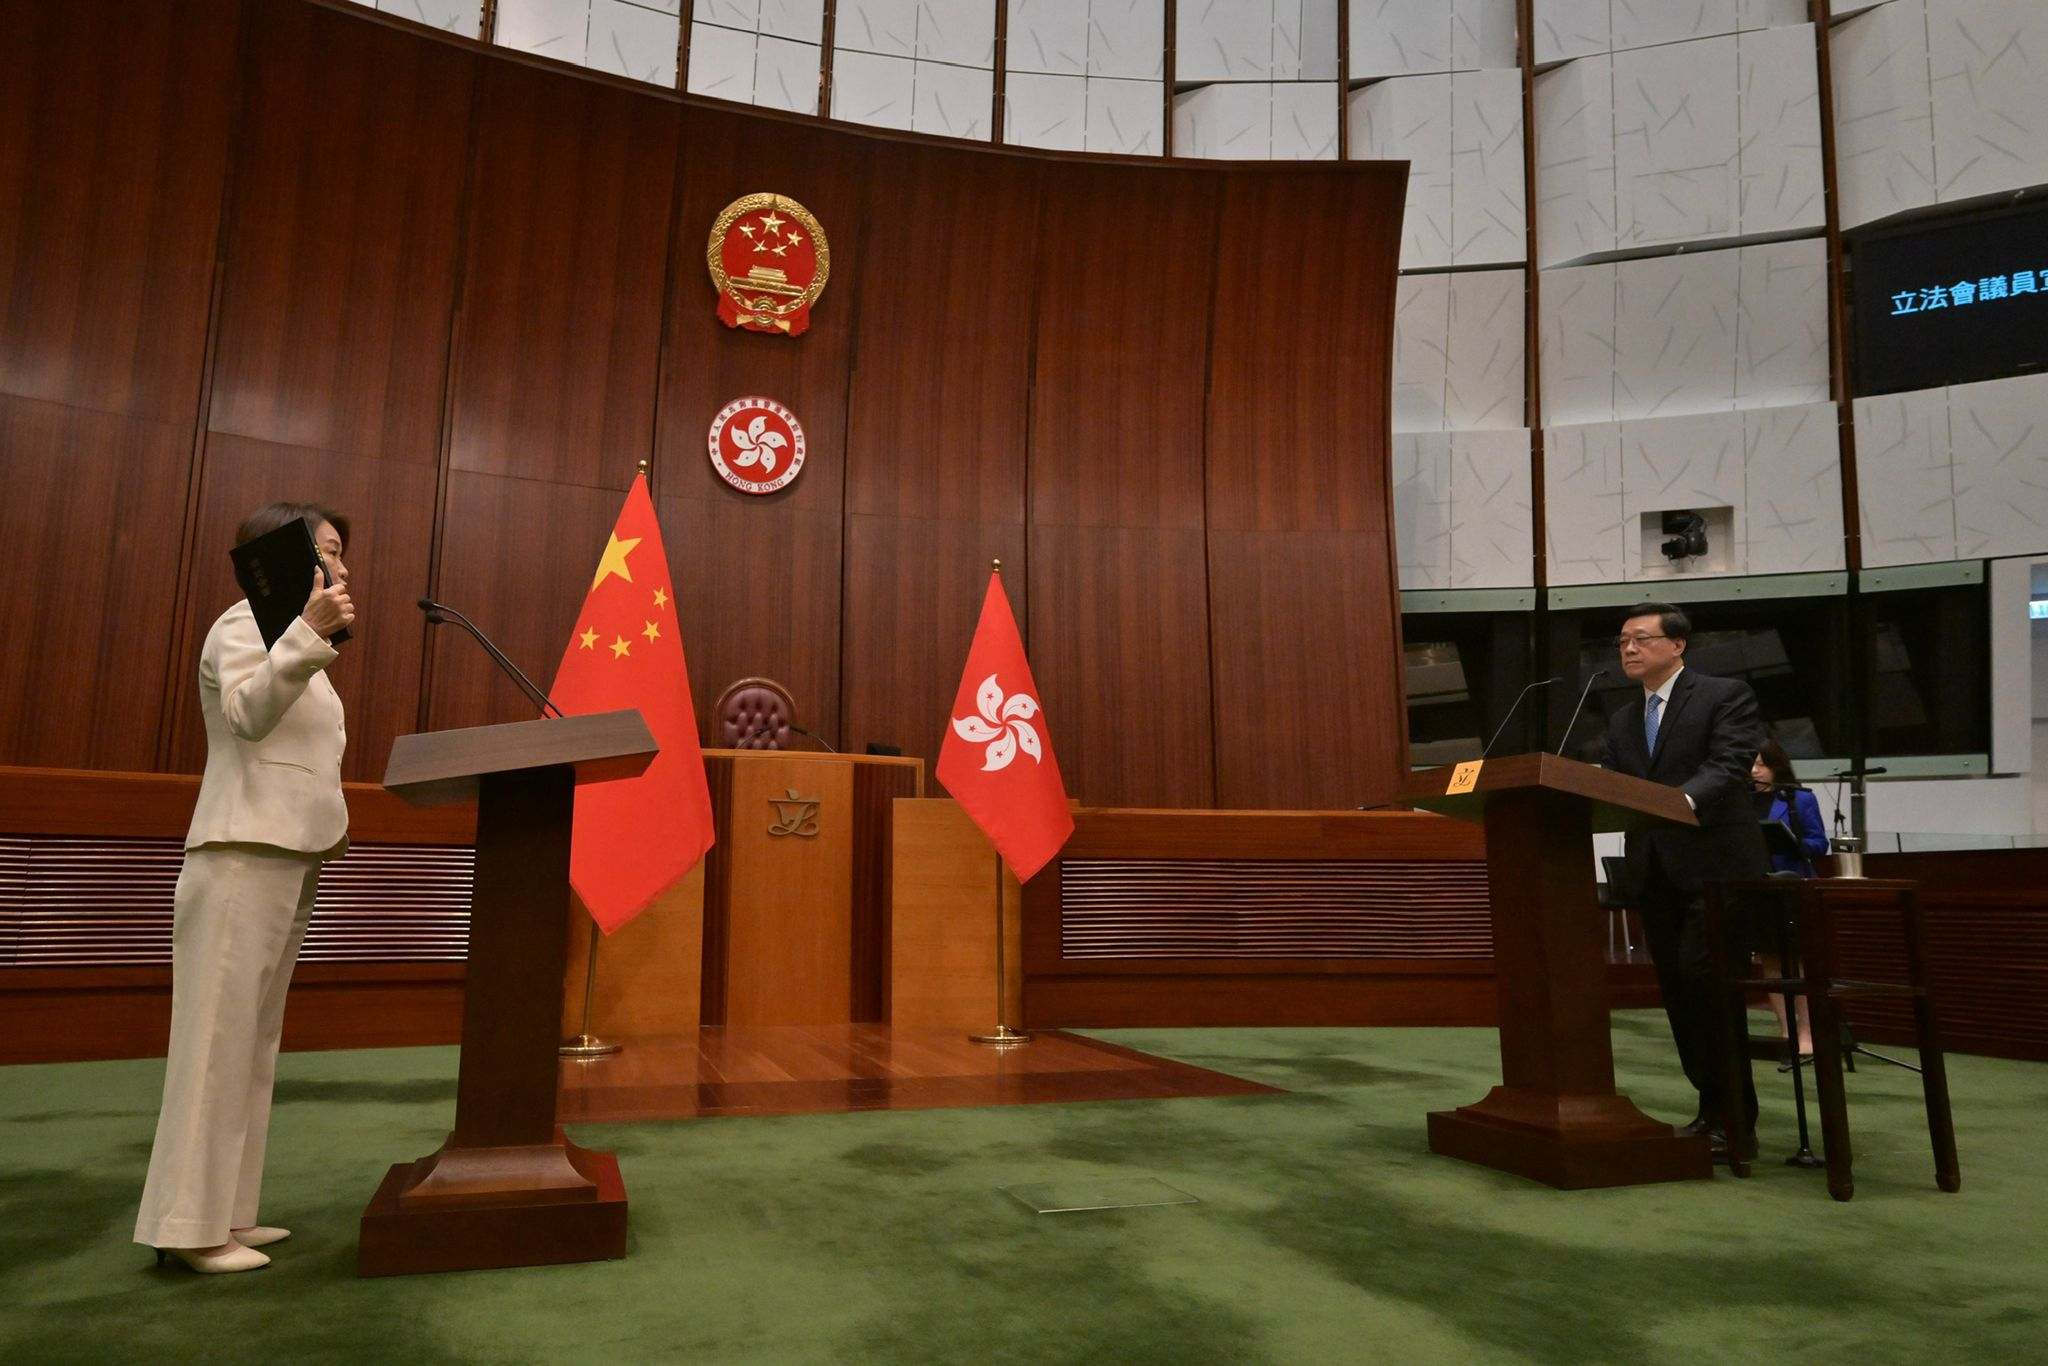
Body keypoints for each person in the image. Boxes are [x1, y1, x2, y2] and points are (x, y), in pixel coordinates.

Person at [134, 503, 356, 1273]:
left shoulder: (300, 641)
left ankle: (226, 1211)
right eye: (328, 552)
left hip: (288, 853)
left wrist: (307, 639)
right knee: (214, 1045)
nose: (343, 569)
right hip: (238, 852)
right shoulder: (243, 624)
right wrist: (305, 636)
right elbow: (245, 715)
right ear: (286, 554)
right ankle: (187, 1228)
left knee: (252, 1045)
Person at [1597, 602, 1769, 1160]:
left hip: (1717, 869)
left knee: (1709, 985)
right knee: (1678, 993)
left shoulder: (1724, 695)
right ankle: (1709, 1111)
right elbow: (1615, 786)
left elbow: (1730, 763)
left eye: (1640, 639)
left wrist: (1679, 802)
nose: (1628, 649)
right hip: (1654, 872)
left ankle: (1736, 1121)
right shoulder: (1623, 719)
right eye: (1623, 640)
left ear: (1677, 646)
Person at [1752, 737, 1829, 1054]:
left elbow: (1818, 844)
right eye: (1751, 764)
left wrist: (1788, 841)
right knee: (1769, 959)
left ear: (1777, 765)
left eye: (1761, 764)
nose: (1754, 771)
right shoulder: (1741, 800)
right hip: (1756, 886)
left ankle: (1808, 1033)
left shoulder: (1799, 799)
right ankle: (1786, 1031)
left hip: (1791, 885)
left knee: (1797, 961)